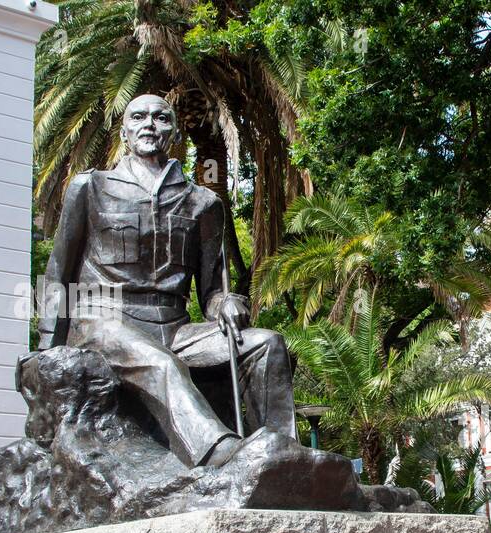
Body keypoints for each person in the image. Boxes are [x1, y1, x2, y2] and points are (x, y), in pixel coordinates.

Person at [38, 93, 297, 468]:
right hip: (104, 323)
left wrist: (225, 301)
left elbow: (210, 292)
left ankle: (281, 457)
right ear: (124, 132)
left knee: (267, 344)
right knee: (162, 364)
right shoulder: (91, 188)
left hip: (174, 328)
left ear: (173, 130)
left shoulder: (202, 203)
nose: (149, 124)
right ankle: (219, 455)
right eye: (139, 117)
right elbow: (58, 272)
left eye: (160, 118)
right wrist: (49, 349)